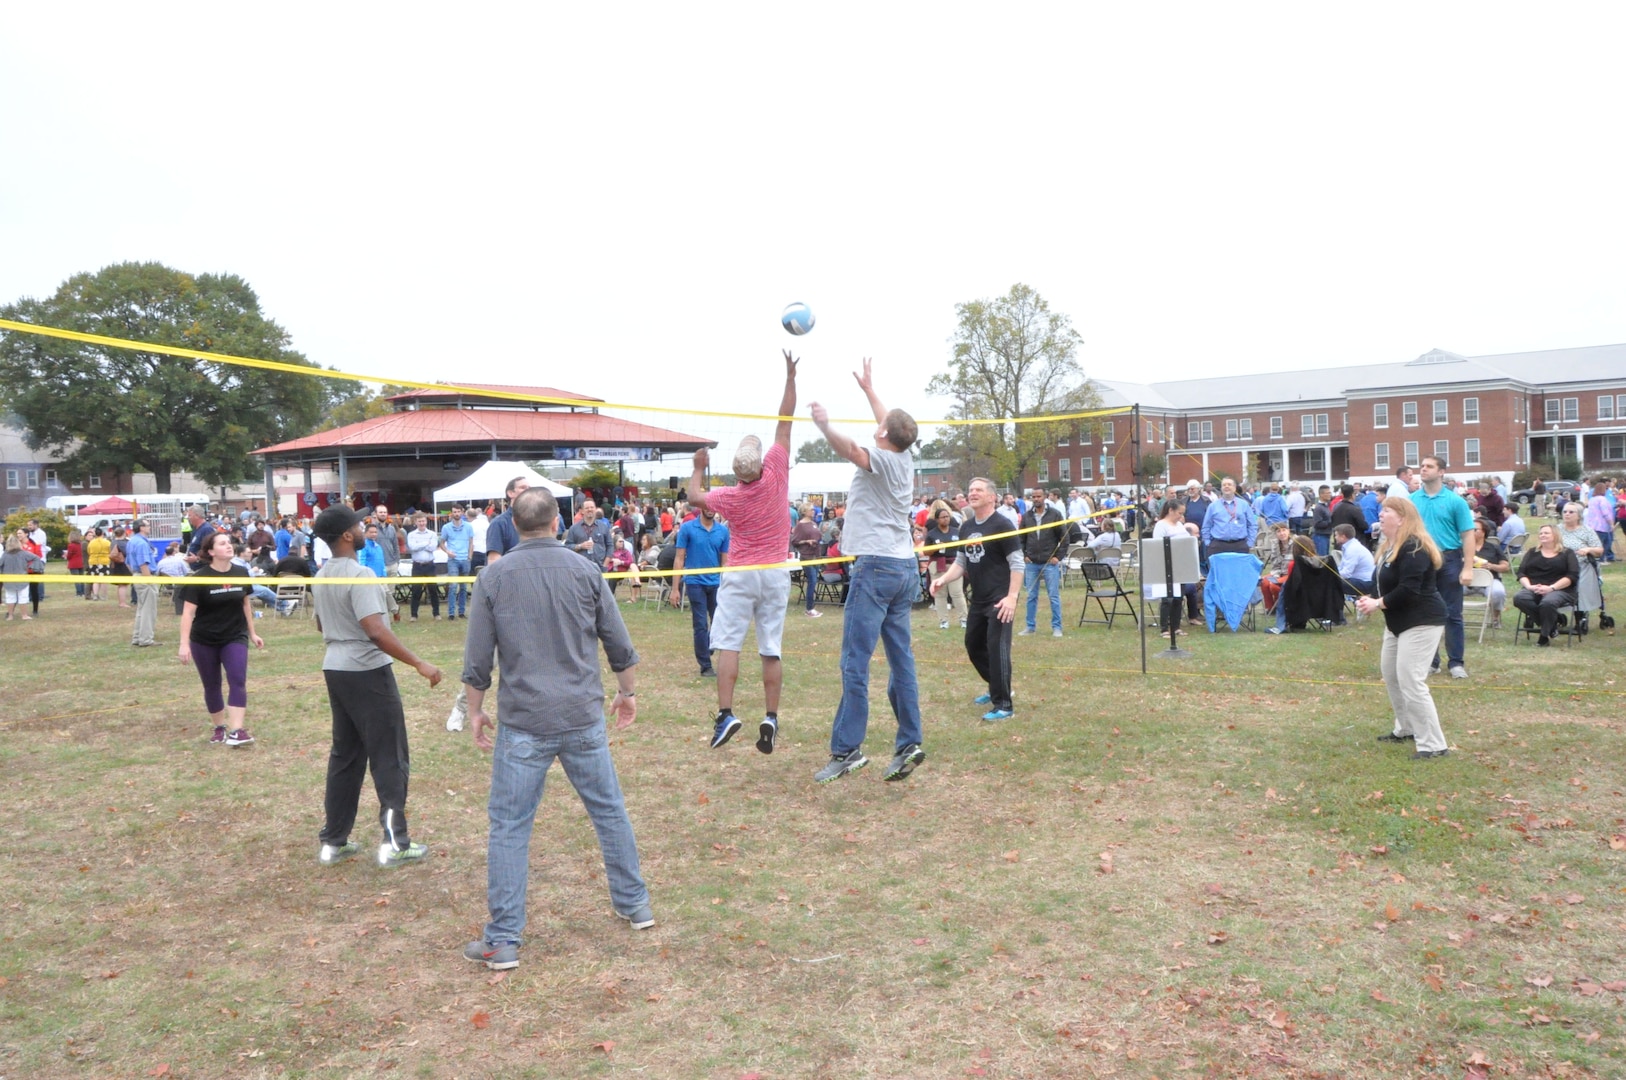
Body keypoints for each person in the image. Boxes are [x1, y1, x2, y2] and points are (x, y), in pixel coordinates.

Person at [459, 487, 651, 970]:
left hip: (528, 720)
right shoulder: (584, 570)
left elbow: (477, 657)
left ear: (513, 523)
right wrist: (627, 692)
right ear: (556, 522)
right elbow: (619, 643)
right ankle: (635, 905)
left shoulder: (495, 577)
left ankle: (504, 939)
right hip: (576, 714)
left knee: (509, 826)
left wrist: (474, 709)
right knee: (607, 811)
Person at [807, 358, 925, 783]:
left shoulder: (880, 456)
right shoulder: (904, 454)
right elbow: (890, 423)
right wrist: (869, 390)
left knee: (855, 662)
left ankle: (847, 750)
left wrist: (824, 424)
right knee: (901, 660)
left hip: (875, 567)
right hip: (903, 568)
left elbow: (852, 449)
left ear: (882, 436)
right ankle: (910, 740)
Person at [310, 504, 443, 868]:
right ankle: (395, 843)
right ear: (347, 536)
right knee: (389, 756)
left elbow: (321, 626)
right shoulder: (361, 573)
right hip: (367, 671)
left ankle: (334, 841)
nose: (363, 524)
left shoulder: (322, 575)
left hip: (335, 667)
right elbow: (375, 630)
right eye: (358, 523)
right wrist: (419, 662)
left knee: (345, 756)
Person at [686, 351, 799, 753]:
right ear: (762, 462)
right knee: (771, 648)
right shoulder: (776, 472)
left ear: (737, 472)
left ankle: (726, 714)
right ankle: (770, 717)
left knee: (729, 644)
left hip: (741, 573)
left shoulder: (731, 496)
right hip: (775, 572)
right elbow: (785, 420)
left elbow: (694, 495)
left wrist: (699, 464)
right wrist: (790, 376)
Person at [1355, 496, 1449, 759]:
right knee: (1392, 674)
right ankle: (1406, 728)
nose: (1381, 514)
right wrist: (1370, 598)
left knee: (1411, 680)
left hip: (1422, 620)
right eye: (1382, 510)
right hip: (1396, 622)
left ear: (1403, 518)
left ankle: (1434, 745)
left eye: (1387, 510)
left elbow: (1409, 589)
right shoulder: (1388, 547)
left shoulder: (1414, 547)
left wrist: (1378, 604)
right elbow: (1383, 584)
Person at [446, 476, 533, 733]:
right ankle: (460, 711)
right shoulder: (501, 524)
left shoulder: (534, 522)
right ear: (510, 494)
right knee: (485, 662)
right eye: (523, 488)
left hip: (532, 603)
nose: (527, 492)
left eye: (530, 489)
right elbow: (495, 565)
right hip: (506, 605)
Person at [930, 477, 1022, 721]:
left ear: (992, 496)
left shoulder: (1003, 525)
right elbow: (961, 562)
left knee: (996, 647)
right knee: (973, 646)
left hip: (1001, 598)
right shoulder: (967, 527)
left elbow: (1017, 564)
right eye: (970, 490)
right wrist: (943, 580)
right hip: (979, 599)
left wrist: (1012, 598)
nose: (972, 493)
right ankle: (997, 687)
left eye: (978, 490)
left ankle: (1004, 705)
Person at [177, 530, 264, 746]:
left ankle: (237, 731)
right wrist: (183, 644)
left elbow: (245, 603)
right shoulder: (199, 577)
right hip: (204, 638)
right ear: (210, 551)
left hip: (235, 636)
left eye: (229, 543)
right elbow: (188, 613)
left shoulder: (241, 573)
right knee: (212, 684)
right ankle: (219, 727)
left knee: (237, 679)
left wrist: (252, 633)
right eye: (222, 543)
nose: (228, 546)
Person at [1409, 456, 1476, 679]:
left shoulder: (1456, 501)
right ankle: (1431, 661)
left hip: (1449, 559)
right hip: (1421, 560)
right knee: (1424, 613)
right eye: (1422, 466)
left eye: (1429, 466)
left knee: (1452, 614)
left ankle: (1456, 662)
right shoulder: (1412, 500)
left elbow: (1467, 535)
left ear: (1441, 472)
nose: (1423, 469)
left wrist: (1468, 568)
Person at [670, 500, 729, 677]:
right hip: (695, 582)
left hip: (716, 584)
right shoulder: (688, 528)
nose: (710, 510)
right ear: (700, 508)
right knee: (700, 624)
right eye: (707, 506)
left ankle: (708, 645)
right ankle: (705, 665)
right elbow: (679, 558)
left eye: (713, 507)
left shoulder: (723, 531)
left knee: (719, 622)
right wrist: (675, 588)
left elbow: (725, 562)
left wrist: (727, 586)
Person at [1019, 489, 1074, 638]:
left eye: (1039, 496)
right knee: (1031, 596)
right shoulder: (1026, 517)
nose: (1036, 499)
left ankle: (1057, 627)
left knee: (1053, 596)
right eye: (1034, 497)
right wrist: (1024, 555)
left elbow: (1064, 538)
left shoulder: (1055, 515)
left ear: (1044, 497)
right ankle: (1030, 626)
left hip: (1050, 562)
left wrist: (1058, 557)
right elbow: (1021, 539)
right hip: (1031, 563)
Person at [1513, 525, 1579, 645]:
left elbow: (1572, 576)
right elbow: (1521, 572)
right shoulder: (1532, 552)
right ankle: (1552, 625)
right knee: (1519, 598)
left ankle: (1543, 637)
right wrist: (1529, 587)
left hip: (1561, 589)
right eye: (1541, 533)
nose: (1542, 535)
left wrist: (1551, 588)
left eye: (1546, 533)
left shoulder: (1567, 553)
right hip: (1534, 588)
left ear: (1555, 535)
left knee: (1548, 602)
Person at [1149, 498, 1202, 638]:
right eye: (1179, 513)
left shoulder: (1179, 525)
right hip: (1166, 566)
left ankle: (1176, 626)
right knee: (1167, 598)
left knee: (1178, 597)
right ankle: (1165, 628)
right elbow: (1157, 545)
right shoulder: (1161, 525)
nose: (1181, 516)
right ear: (1170, 510)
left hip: (1181, 565)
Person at [1556, 503, 1605, 625]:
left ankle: (1580, 615)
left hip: (1581, 566)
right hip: (1558, 566)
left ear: (1579, 516)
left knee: (1580, 586)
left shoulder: (1587, 531)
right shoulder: (1556, 530)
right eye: (1565, 511)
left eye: (1571, 512)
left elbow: (1599, 550)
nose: (1567, 514)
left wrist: (1588, 549)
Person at [923, 503, 965, 630]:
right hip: (938, 564)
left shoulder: (956, 532)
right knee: (940, 593)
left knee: (957, 592)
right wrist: (935, 548)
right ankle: (943, 620)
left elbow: (963, 547)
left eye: (947, 516)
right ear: (937, 520)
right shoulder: (931, 534)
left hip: (954, 564)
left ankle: (964, 619)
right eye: (942, 517)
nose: (946, 519)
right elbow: (926, 552)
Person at [126, 519, 161, 648]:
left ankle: (137, 637)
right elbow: (143, 563)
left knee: (141, 609)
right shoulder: (141, 543)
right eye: (147, 525)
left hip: (137, 576)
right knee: (149, 610)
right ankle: (146, 639)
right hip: (145, 576)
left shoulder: (132, 541)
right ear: (141, 528)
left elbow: (128, 562)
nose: (149, 527)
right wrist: (149, 580)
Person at [1470, 517, 1509, 630]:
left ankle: (1495, 618)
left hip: (1490, 580)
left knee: (1498, 592)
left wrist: (1491, 566)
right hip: (1467, 582)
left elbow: (1505, 566)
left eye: (1475, 529)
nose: (1471, 531)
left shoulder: (1493, 547)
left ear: (1484, 532)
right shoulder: (1463, 547)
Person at [1200, 478, 1256, 555]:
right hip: (1218, 546)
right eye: (1224, 485)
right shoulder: (1213, 506)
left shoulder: (1244, 505)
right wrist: (1208, 542)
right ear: (1221, 488)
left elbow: (1252, 525)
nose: (1226, 486)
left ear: (1235, 488)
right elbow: (1206, 526)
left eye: (1229, 484)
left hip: (1240, 545)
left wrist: (1249, 543)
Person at [439, 505, 474, 621]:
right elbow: (442, 543)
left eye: (458, 511)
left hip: (465, 559)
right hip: (453, 560)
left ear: (462, 512)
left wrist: (469, 556)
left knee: (463, 587)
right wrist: (448, 552)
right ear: (452, 513)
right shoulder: (446, 527)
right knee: (453, 587)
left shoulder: (468, 527)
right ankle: (451, 613)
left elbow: (471, 543)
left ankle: (462, 612)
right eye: (455, 512)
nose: (457, 513)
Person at [792, 504, 825, 619]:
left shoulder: (813, 523)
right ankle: (809, 608)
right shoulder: (800, 525)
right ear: (805, 511)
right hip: (807, 557)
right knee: (812, 581)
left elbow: (819, 537)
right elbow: (794, 541)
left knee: (814, 581)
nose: (813, 511)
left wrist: (822, 532)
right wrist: (806, 541)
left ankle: (811, 607)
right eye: (811, 510)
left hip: (816, 556)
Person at [406, 513, 441, 620]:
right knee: (416, 590)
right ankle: (414, 615)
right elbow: (412, 547)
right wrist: (426, 542)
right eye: (419, 521)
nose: (422, 523)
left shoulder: (432, 534)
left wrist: (420, 544)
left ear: (426, 521)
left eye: (423, 521)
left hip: (430, 565)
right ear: (416, 522)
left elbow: (433, 547)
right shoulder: (411, 534)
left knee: (433, 590)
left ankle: (436, 614)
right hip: (417, 566)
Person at [2, 531, 44, 619]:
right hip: (21, 579)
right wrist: (33, 567)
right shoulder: (23, 553)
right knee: (22, 597)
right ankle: (24, 615)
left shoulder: (5, 555)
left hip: (9, 579)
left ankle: (10, 616)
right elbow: (36, 558)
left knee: (10, 598)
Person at [1334, 524, 1376, 598]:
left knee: (1331, 583)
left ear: (1343, 537)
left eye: (1336, 535)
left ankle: (1333, 607)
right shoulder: (1351, 547)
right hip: (1361, 580)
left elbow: (1346, 573)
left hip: (1365, 583)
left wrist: (1330, 576)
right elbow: (1342, 568)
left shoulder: (1352, 549)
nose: (1335, 538)